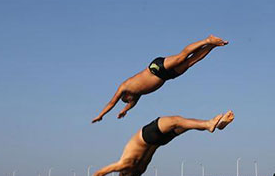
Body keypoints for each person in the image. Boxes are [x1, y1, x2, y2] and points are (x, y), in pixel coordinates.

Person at [82, 111, 235, 176]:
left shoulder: (140, 169)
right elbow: (100, 173)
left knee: (186, 126)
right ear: (122, 173)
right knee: (177, 120)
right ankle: (209, 124)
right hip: (148, 136)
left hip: (161, 141)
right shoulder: (124, 165)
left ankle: (213, 125)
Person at [91, 35, 229, 123]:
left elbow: (111, 102)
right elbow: (132, 104)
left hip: (155, 68)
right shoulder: (138, 95)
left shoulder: (125, 87)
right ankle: (212, 45)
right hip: (167, 77)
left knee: (182, 57)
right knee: (191, 61)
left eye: (128, 100)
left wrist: (101, 115)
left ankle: (207, 40)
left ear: (126, 96)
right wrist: (125, 111)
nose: (131, 101)